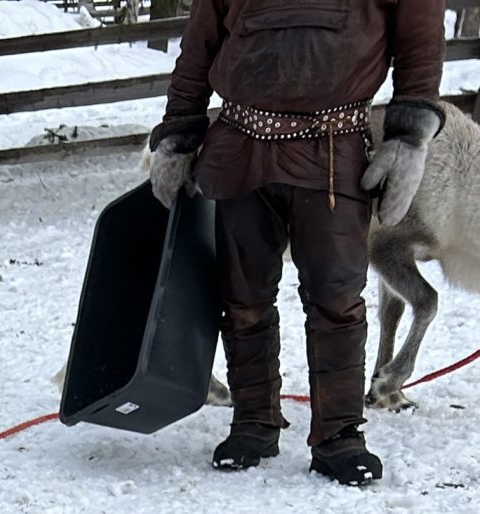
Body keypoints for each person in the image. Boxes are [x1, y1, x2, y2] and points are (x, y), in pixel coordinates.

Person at [147, 0, 444, 485]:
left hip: (334, 150)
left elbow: (420, 36)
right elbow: (201, 41)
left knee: (337, 296)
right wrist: (179, 131)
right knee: (242, 296)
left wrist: (408, 138)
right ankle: (253, 422)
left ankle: (339, 435)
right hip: (240, 146)